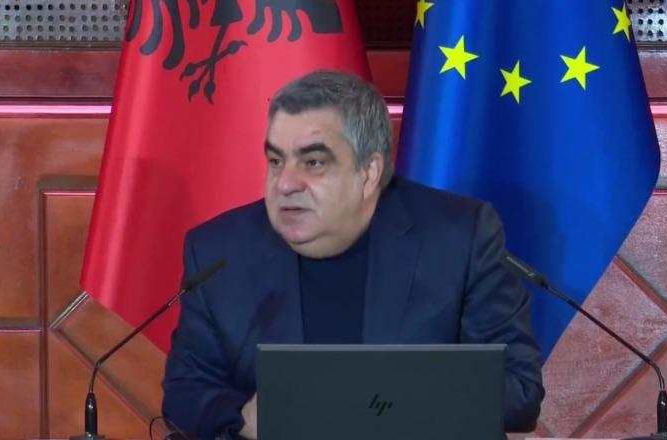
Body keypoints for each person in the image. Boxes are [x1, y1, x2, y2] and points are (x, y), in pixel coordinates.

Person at [161, 70, 544, 439]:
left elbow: (519, 390)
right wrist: (245, 418)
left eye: (313, 162)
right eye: (276, 161)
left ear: (369, 172)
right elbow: (185, 390)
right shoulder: (220, 251)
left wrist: (374, 405)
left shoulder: (459, 237)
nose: (285, 183)